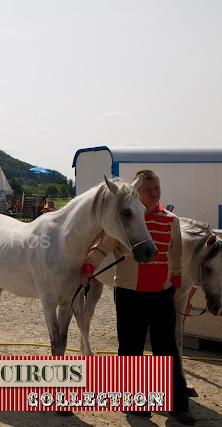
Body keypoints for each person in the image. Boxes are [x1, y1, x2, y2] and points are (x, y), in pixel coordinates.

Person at [79, 170, 194, 425]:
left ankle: (178, 405)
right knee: (131, 350)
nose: (154, 193)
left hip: (161, 294)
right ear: (137, 194)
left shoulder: (171, 220)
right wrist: (89, 267)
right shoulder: (124, 221)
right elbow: (101, 248)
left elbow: (175, 254)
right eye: (148, 190)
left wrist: (175, 278)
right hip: (130, 294)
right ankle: (136, 402)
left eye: (156, 189)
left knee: (168, 350)